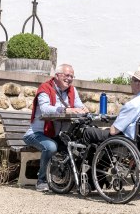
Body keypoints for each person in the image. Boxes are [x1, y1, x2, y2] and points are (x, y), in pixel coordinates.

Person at [23, 64, 88, 192]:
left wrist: (84, 110)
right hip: (36, 134)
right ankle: (41, 180)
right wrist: (66, 110)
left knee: (78, 147)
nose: (69, 79)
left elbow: (79, 106)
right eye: (67, 75)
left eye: (71, 76)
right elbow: (45, 109)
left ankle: (73, 181)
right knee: (51, 147)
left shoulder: (72, 90)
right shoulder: (45, 88)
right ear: (57, 75)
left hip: (56, 134)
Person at [82, 64, 140, 144]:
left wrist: (107, 128)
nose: (130, 83)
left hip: (130, 143)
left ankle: (89, 160)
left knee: (89, 132)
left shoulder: (135, 103)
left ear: (138, 83)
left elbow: (113, 131)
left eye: (131, 80)